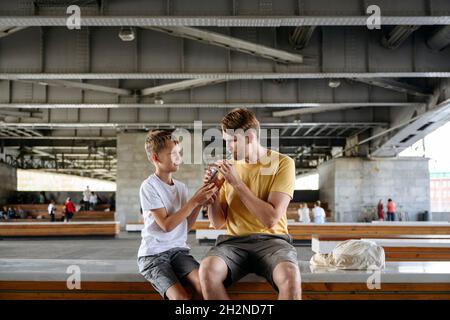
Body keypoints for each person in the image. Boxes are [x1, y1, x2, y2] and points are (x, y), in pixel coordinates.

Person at [199, 108, 301, 300]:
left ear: (250, 137)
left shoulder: (282, 163)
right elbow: (218, 223)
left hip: (273, 241)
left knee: (290, 276)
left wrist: (236, 183)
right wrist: (212, 197)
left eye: (233, 141)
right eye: (226, 141)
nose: (228, 147)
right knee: (207, 270)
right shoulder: (226, 169)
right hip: (233, 243)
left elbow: (270, 219)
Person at [137, 130, 217, 300]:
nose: (178, 158)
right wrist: (194, 202)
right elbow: (166, 226)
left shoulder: (181, 187)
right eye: (173, 154)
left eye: (179, 153)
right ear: (155, 158)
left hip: (179, 252)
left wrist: (200, 203)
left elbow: (185, 227)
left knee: (205, 287)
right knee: (181, 298)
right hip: (153, 255)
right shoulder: (149, 186)